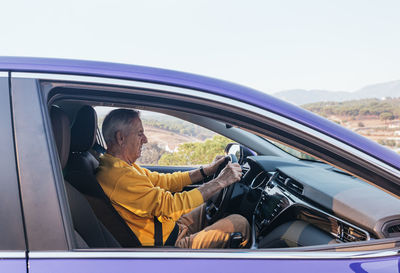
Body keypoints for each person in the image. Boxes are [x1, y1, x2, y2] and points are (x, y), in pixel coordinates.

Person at [96, 109, 250, 248]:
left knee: (210, 205)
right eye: (139, 133)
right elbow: (169, 206)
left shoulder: (120, 166)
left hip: (171, 228)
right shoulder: (120, 178)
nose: (145, 139)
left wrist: (205, 171)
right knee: (239, 223)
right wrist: (220, 182)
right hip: (168, 246)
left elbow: (165, 181)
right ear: (120, 138)